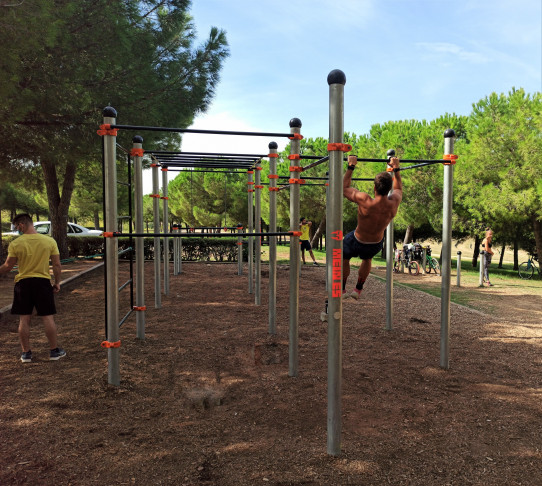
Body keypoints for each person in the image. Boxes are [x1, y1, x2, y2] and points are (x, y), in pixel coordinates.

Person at [0, 214, 66, 362]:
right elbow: (56, 265)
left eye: (17, 226)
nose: (17, 229)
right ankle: (54, 351)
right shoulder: (49, 241)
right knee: (47, 317)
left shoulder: (16, 244)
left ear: (22, 224)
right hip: (42, 283)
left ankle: (26, 353)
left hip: (23, 284)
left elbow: (7, 266)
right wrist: (57, 282)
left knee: (24, 319)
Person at [342, 154, 403, 299]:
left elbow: (344, 188)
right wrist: (397, 169)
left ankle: (342, 289)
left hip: (357, 239)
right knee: (367, 259)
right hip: (375, 243)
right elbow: (399, 188)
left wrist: (351, 166)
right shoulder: (394, 202)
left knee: (344, 258)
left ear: (374, 187)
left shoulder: (365, 200)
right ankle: (358, 289)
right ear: (389, 189)